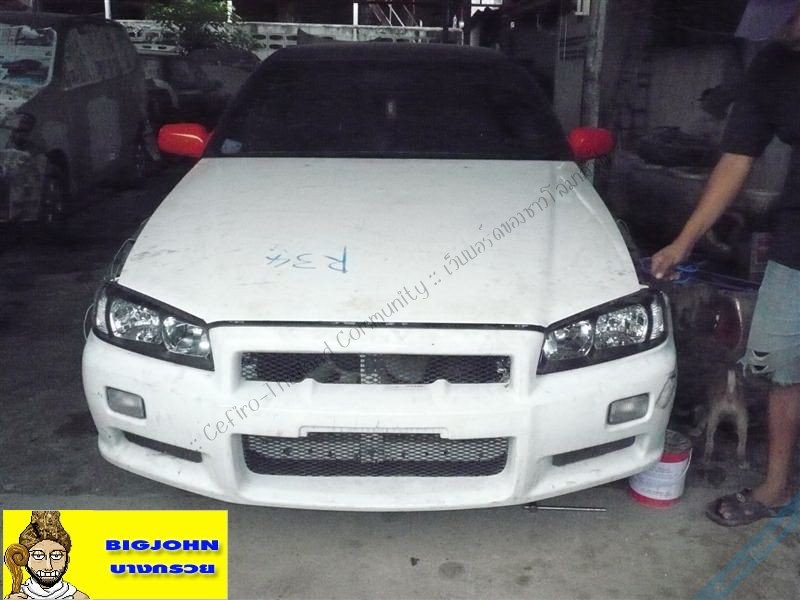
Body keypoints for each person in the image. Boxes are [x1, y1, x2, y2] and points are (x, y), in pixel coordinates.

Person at [651, 6, 800, 526]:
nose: (784, 31)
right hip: (797, 243)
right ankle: (775, 487)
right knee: (783, 368)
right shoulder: (774, 65)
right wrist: (684, 242)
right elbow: (737, 158)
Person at [4, 511, 89, 600]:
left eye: (56, 556)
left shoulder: (79, 598)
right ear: (26, 558)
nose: (48, 567)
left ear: (67, 559)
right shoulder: (17, 596)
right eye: (38, 556)